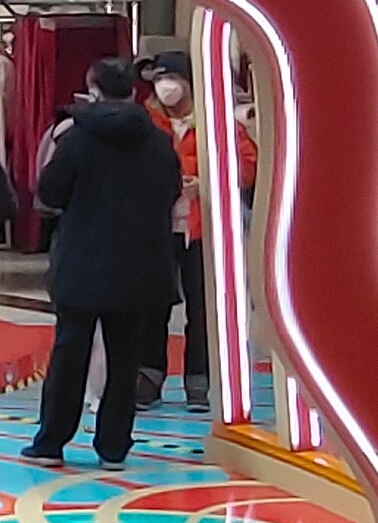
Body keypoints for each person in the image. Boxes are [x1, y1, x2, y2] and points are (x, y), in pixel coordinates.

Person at [23, 58, 181, 470]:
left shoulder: (77, 138)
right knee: (124, 357)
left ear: (93, 89)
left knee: (69, 353)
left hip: (82, 260)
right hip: (140, 263)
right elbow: (170, 191)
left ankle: (52, 441)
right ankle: (113, 445)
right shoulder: (158, 141)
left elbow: (50, 193)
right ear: (134, 90)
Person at [148, 66, 251, 413]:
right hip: (156, 228)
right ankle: (148, 378)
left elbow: (248, 164)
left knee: (202, 305)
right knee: (152, 305)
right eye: (159, 80)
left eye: (172, 79)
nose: (166, 88)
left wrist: (205, 181)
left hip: (202, 227)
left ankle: (198, 380)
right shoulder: (147, 124)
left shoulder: (216, 122)